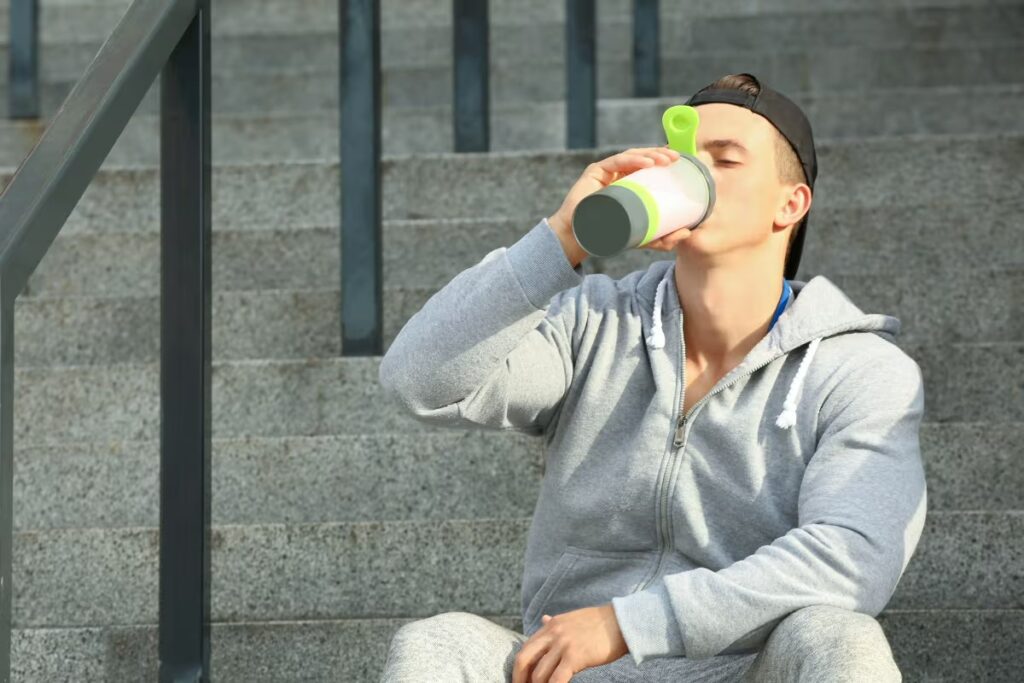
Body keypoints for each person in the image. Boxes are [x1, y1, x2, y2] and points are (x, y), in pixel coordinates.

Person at [378, 73, 922, 682]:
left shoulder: (859, 370)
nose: (695, 172)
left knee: (839, 637)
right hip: (571, 668)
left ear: (789, 204)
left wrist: (626, 623)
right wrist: (561, 239)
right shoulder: (592, 324)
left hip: (743, 669)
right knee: (439, 644)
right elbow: (417, 380)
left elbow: (853, 559)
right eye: (684, 158)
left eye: (725, 158)